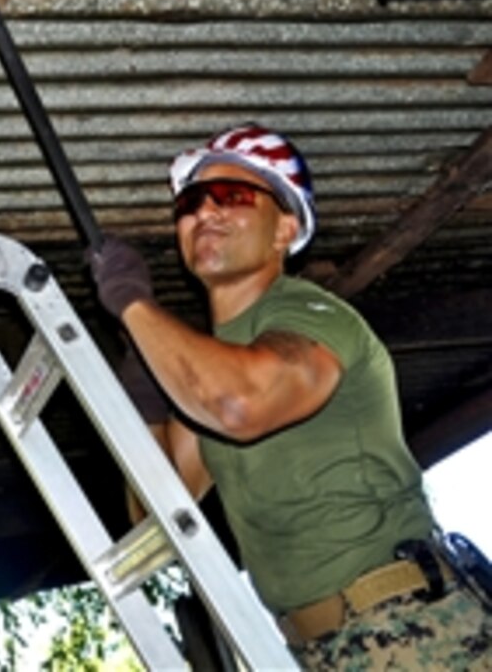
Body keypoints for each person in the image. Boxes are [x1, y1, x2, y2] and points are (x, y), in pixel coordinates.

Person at [90, 123, 492, 669]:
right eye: (190, 201)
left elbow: (240, 404)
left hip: (411, 627)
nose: (205, 212)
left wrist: (135, 305)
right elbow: (155, 518)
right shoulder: (210, 378)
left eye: (232, 196)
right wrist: (146, 391)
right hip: (315, 651)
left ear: (285, 228)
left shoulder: (308, 315)